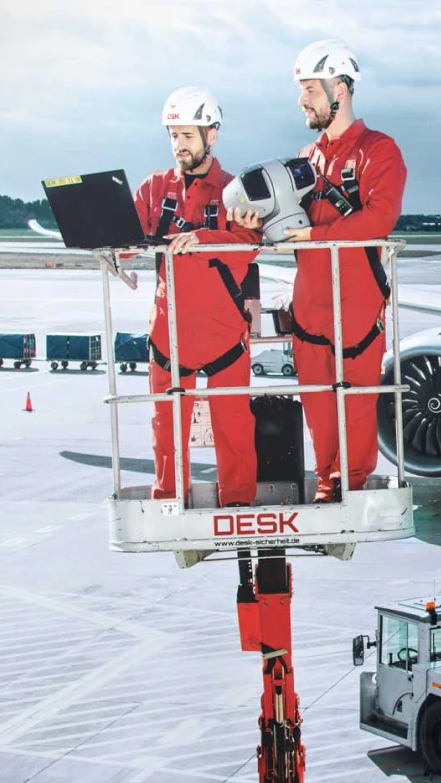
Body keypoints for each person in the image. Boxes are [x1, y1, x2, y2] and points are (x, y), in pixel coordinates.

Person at [283, 40, 407, 502]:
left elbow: (380, 218)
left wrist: (315, 238)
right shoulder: (307, 157)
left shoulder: (380, 151)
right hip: (310, 306)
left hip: (355, 306)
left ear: (340, 88)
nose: (303, 101)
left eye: (311, 90)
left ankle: (351, 485)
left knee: (355, 403)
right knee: (317, 403)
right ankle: (324, 480)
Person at [134, 86, 261, 507]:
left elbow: (249, 244)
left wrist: (204, 238)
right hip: (167, 336)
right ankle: (169, 499)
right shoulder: (153, 189)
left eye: (188, 136)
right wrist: (108, 247)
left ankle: (238, 502)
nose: (179, 146)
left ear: (212, 135)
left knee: (234, 426)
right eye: (174, 136)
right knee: (165, 428)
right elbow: (126, 236)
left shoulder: (233, 190)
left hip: (223, 336)